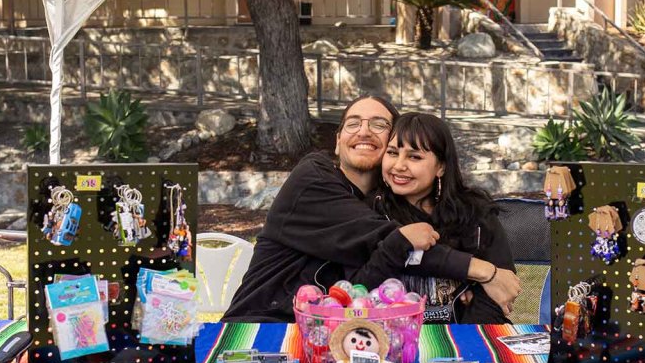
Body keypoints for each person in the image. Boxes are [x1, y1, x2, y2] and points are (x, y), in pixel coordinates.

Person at [222, 95, 520, 323]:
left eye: (379, 125)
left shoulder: (468, 211)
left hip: (331, 333)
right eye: (352, 123)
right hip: (264, 324)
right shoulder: (313, 180)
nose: (364, 131)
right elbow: (387, 248)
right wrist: (483, 272)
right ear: (337, 142)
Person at [356, 112, 517, 323]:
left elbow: (500, 288)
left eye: (415, 156)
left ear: (441, 166)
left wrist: (458, 339)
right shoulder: (372, 212)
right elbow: (361, 284)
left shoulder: (475, 213)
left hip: (463, 338)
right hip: (389, 336)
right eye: (393, 153)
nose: (399, 165)